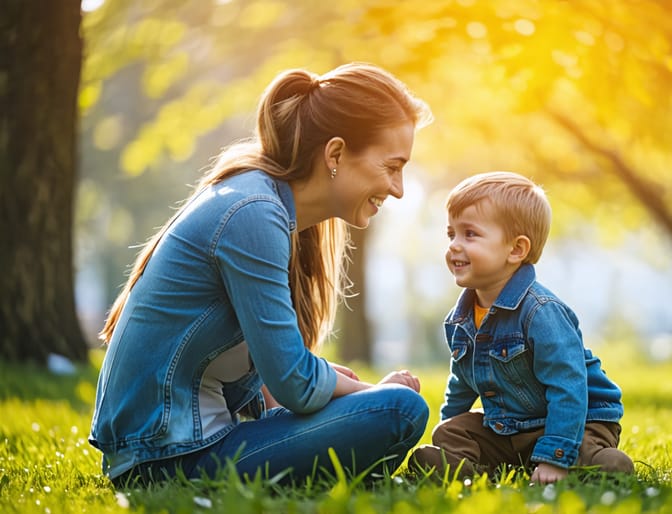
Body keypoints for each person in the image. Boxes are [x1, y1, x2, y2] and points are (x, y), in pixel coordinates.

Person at [89, 62, 433, 486]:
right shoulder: (253, 214)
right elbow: (295, 384)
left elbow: (279, 374)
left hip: (181, 445)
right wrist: (376, 394)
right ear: (336, 154)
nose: (398, 188)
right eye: (392, 167)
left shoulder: (268, 206)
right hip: (166, 458)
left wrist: (330, 382)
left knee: (381, 402)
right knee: (401, 409)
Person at [411, 171, 634, 484]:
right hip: (512, 425)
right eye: (451, 234)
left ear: (516, 250)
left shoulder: (542, 312)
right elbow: (461, 384)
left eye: (470, 234)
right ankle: (469, 469)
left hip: (579, 417)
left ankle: (586, 461)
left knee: (589, 451)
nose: (454, 246)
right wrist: (448, 431)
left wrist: (555, 457)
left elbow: (569, 388)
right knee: (449, 432)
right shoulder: (460, 319)